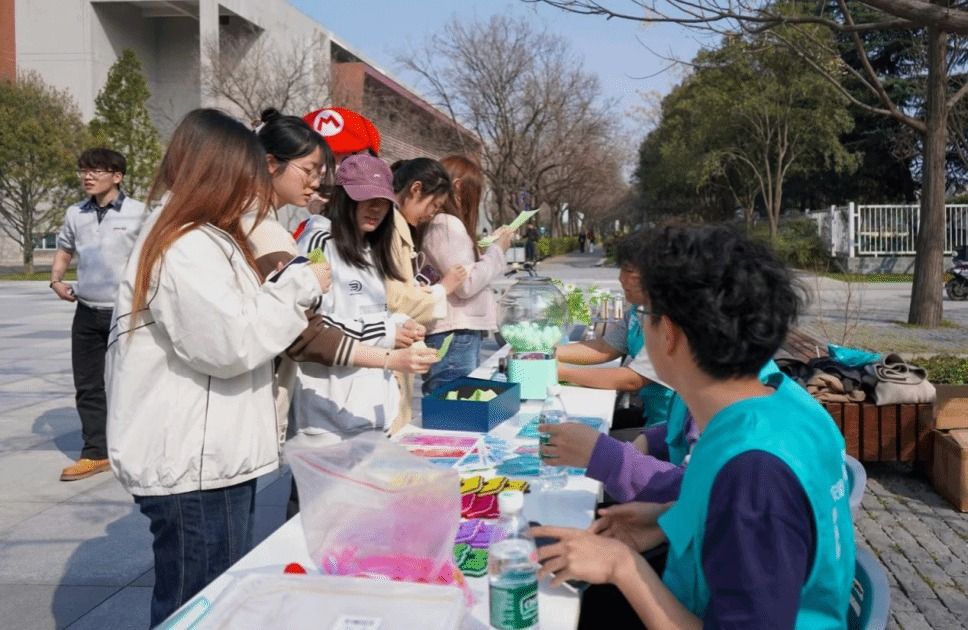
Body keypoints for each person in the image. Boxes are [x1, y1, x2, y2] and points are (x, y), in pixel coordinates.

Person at [534, 224, 855, 629]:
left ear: (668, 334)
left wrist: (622, 566)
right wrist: (671, 518)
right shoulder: (784, 404)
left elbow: (756, 516)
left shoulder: (754, 473)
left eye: (645, 315)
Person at [105, 109, 330, 627]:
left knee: (209, 599)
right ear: (219, 171)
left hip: (206, 457)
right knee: (199, 606)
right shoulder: (186, 242)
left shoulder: (199, 235)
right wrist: (299, 284)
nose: (252, 187)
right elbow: (230, 342)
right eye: (246, 172)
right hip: (195, 463)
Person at [291, 154, 421, 445]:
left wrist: (400, 324)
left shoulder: (370, 247)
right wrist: (386, 332)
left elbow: (366, 313)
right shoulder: (316, 246)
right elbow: (310, 326)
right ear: (342, 198)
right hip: (327, 423)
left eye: (383, 200)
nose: (376, 208)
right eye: (365, 197)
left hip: (371, 415)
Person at [50, 148, 147, 481]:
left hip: (126, 312)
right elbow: (65, 248)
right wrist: (56, 280)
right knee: (88, 385)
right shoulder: (75, 213)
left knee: (132, 382)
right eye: (83, 170)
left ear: (117, 176)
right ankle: (96, 453)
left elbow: (153, 256)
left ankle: (139, 448)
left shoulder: (139, 213)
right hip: (87, 311)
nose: (87, 176)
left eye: (95, 170)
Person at [556, 234, 676, 429]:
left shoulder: (669, 321)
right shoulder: (638, 310)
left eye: (629, 271)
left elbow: (633, 380)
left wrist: (560, 373)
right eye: (621, 269)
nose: (621, 278)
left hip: (670, 428)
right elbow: (605, 347)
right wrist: (547, 353)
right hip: (651, 419)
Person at [386, 158, 468, 431]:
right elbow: (393, 297)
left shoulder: (399, 227)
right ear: (416, 189)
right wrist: (443, 288)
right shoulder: (390, 229)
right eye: (433, 205)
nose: (432, 214)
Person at [420, 155, 514, 395]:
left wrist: (484, 247)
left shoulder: (441, 223)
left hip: (454, 332)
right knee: (452, 406)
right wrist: (497, 250)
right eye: (475, 191)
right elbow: (466, 284)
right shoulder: (446, 224)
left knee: (451, 403)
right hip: (454, 333)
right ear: (459, 186)